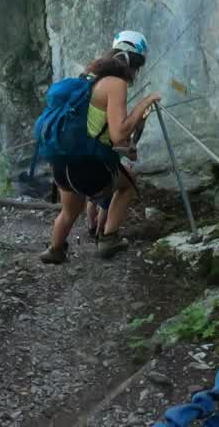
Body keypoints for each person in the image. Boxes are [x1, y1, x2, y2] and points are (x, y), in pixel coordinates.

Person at [40, 30, 160, 264]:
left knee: (69, 211)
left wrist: (129, 143)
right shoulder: (116, 84)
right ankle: (108, 239)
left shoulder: (89, 77)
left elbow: (101, 132)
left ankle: (54, 250)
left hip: (61, 161)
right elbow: (118, 135)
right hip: (87, 167)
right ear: (134, 63)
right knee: (128, 186)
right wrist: (145, 103)